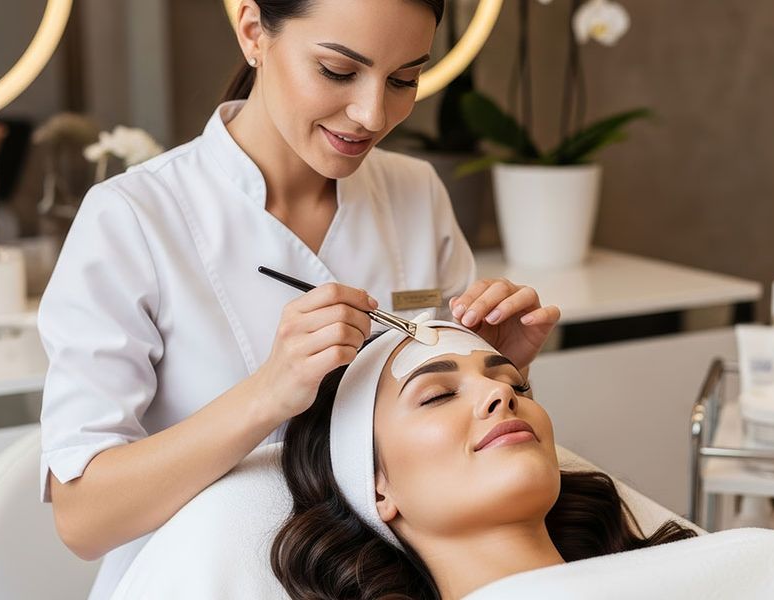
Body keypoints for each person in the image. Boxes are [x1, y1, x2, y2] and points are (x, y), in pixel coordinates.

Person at [37, 1, 560, 597]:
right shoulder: (133, 217)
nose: (371, 114)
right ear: (253, 32)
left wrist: (496, 366)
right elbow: (82, 519)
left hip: (388, 582)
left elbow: (444, 456)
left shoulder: (415, 192)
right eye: (338, 71)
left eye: (403, 79)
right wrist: (268, 394)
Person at [271, 322, 774, 600]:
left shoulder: (744, 563)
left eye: (516, 384)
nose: (501, 394)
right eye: (437, 395)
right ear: (376, 487)